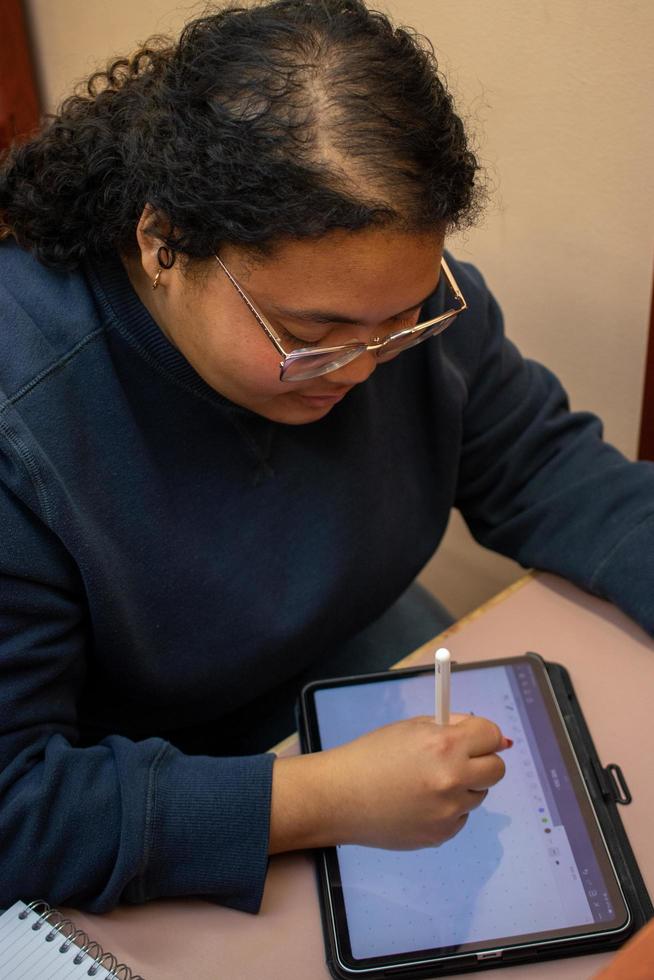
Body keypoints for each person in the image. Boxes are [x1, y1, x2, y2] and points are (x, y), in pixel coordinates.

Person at [0, 0, 651, 917]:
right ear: (161, 243)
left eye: (407, 315)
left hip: (325, 649)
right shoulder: (24, 421)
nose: (369, 363)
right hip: (124, 762)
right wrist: (322, 799)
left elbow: (552, 471)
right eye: (318, 333)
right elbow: (16, 811)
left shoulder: (395, 310)